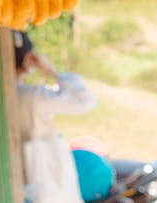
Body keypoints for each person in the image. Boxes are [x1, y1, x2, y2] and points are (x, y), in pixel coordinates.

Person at [15, 31, 98, 203]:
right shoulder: (33, 98)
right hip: (47, 185)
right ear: (29, 58)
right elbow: (85, 101)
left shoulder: (1, 96)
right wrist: (52, 71)